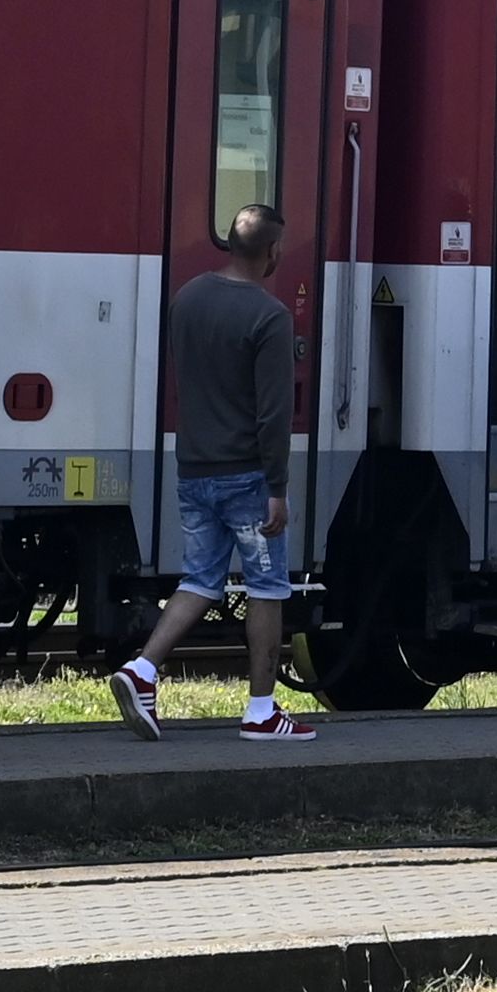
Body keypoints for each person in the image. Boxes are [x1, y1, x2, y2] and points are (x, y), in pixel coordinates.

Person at [112, 202, 316, 741]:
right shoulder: (269, 317)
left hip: (193, 467)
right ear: (272, 251)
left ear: (229, 243)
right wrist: (278, 487)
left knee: (200, 578)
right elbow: (273, 414)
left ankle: (143, 669)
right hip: (247, 474)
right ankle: (261, 712)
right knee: (268, 586)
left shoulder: (188, 298)